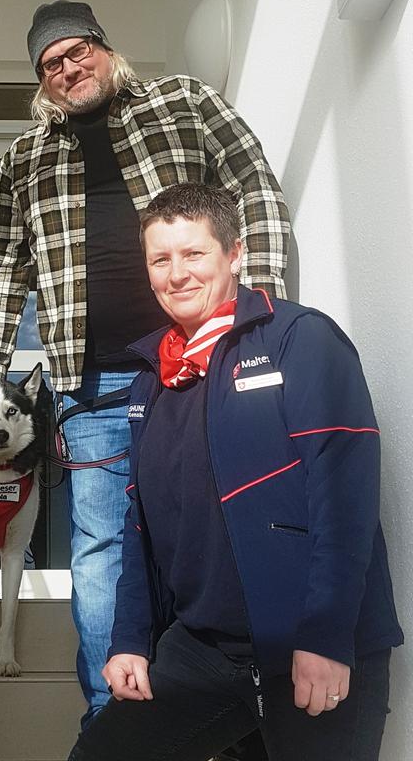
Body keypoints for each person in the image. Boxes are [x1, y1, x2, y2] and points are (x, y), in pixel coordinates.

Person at [0, 0, 290, 727]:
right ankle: (120, 718)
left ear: (105, 50)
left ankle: (224, 712)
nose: (68, 68)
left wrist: (257, 315)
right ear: (41, 81)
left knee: (213, 528)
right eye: (51, 64)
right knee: (102, 547)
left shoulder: (184, 101)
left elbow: (256, 188)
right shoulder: (24, 158)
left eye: (78, 51)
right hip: (91, 381)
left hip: (203, 364)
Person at [68, 183, 403, 761]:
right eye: (160, 259)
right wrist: (130, 640)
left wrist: (325, 638)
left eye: (193, 254)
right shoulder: (152, 379)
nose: (177, 274)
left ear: (234, 253)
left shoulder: (299, 339)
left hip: (308, 649)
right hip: (204, 654)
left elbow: (342, 497)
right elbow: (138, 524)